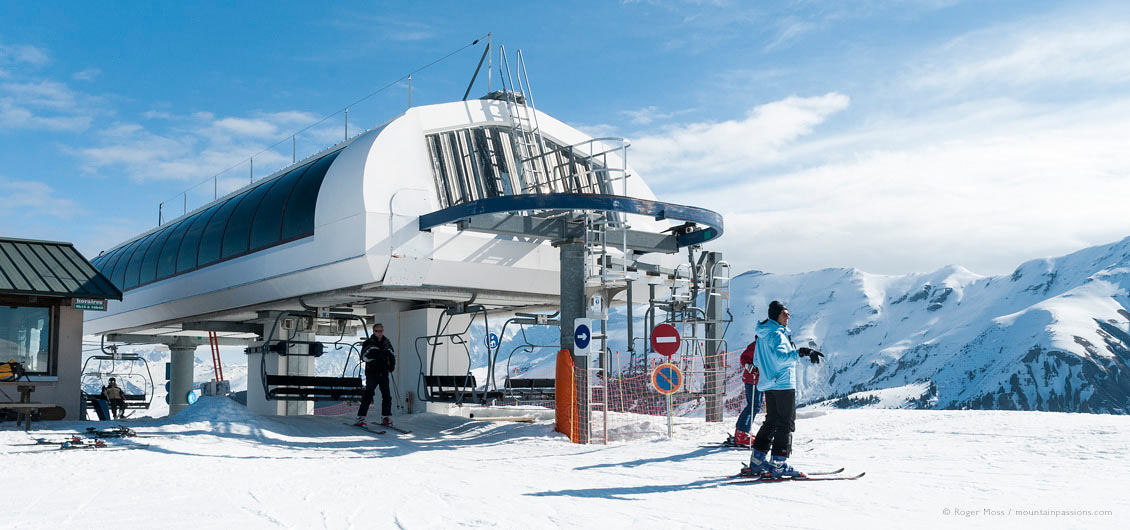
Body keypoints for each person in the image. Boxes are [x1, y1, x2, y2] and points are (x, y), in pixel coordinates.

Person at [747, 301, 824, 478]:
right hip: (783, 383)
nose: (788, 317)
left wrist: (769, 372)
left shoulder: (763, 335)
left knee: (772, 421)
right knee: (786, 423)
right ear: (775, 316)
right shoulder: (777, 335)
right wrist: (800, 353)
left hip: (769, 383)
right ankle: (779, 464)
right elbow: (782, 358)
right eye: (784, 314)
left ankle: (757, 461)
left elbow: (757, 360)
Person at [355, 324, 396, 428]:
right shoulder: (368, 343)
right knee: (368, 395)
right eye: (377, 331)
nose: (379, 333)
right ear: (374, 331)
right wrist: (377, 356)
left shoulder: (387, 342)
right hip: (372, 373)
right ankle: (361, 417)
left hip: (383, 373)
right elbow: (364, 356)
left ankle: (385, 417)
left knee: (386, 396)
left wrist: (391, 365)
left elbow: (392, 355)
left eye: (381, 331)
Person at [732, 339, 763, 447]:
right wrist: (750, 366)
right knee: (754, 405)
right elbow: (744, 357)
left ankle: (741, 432)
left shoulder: (766, 343)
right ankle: (742, 433)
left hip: (760, 380)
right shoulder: (757, 345)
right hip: (752, 378)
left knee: (755, 405)